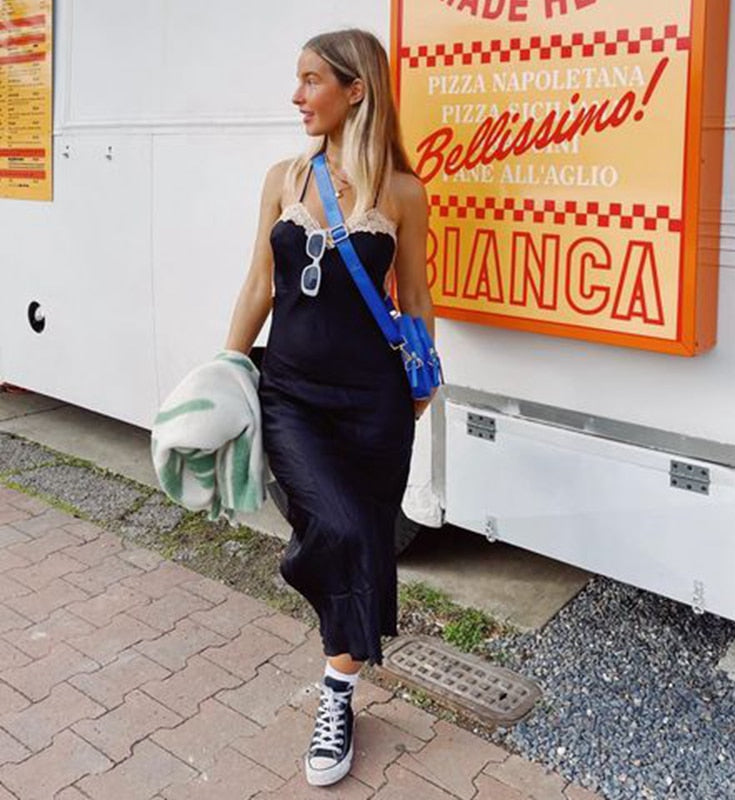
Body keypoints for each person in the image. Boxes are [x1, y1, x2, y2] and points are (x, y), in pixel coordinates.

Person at [224, 28, 436, 787]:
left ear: (356, 90)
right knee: (342, 530)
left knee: (365, 533)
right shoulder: (283, 177)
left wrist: (421, 383)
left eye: (312, 79)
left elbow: (415, 300)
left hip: (374, 403)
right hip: (291, 395)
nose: (297, 95)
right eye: (298, 79)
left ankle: (338, 695)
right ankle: (341, 616)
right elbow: (260, 286)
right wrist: (225, 368)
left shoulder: (403, 192)